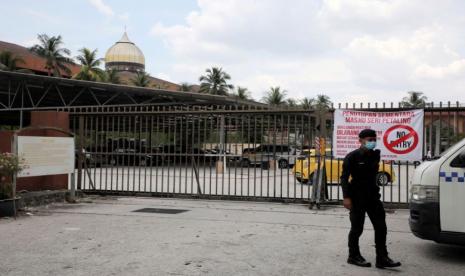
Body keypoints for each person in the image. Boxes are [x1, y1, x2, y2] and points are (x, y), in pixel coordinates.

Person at [340, 129, 401, 269]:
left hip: (373, 196)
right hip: (356, 197)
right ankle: (353, 256)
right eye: (369, 139)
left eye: (374, 139)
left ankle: (382, 258)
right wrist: (346, 197)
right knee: (357, 228)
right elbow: (344, 178)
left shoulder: (375, 155)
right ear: (360, 140)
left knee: (381, 227)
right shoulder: (352, 157)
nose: (372, 142)